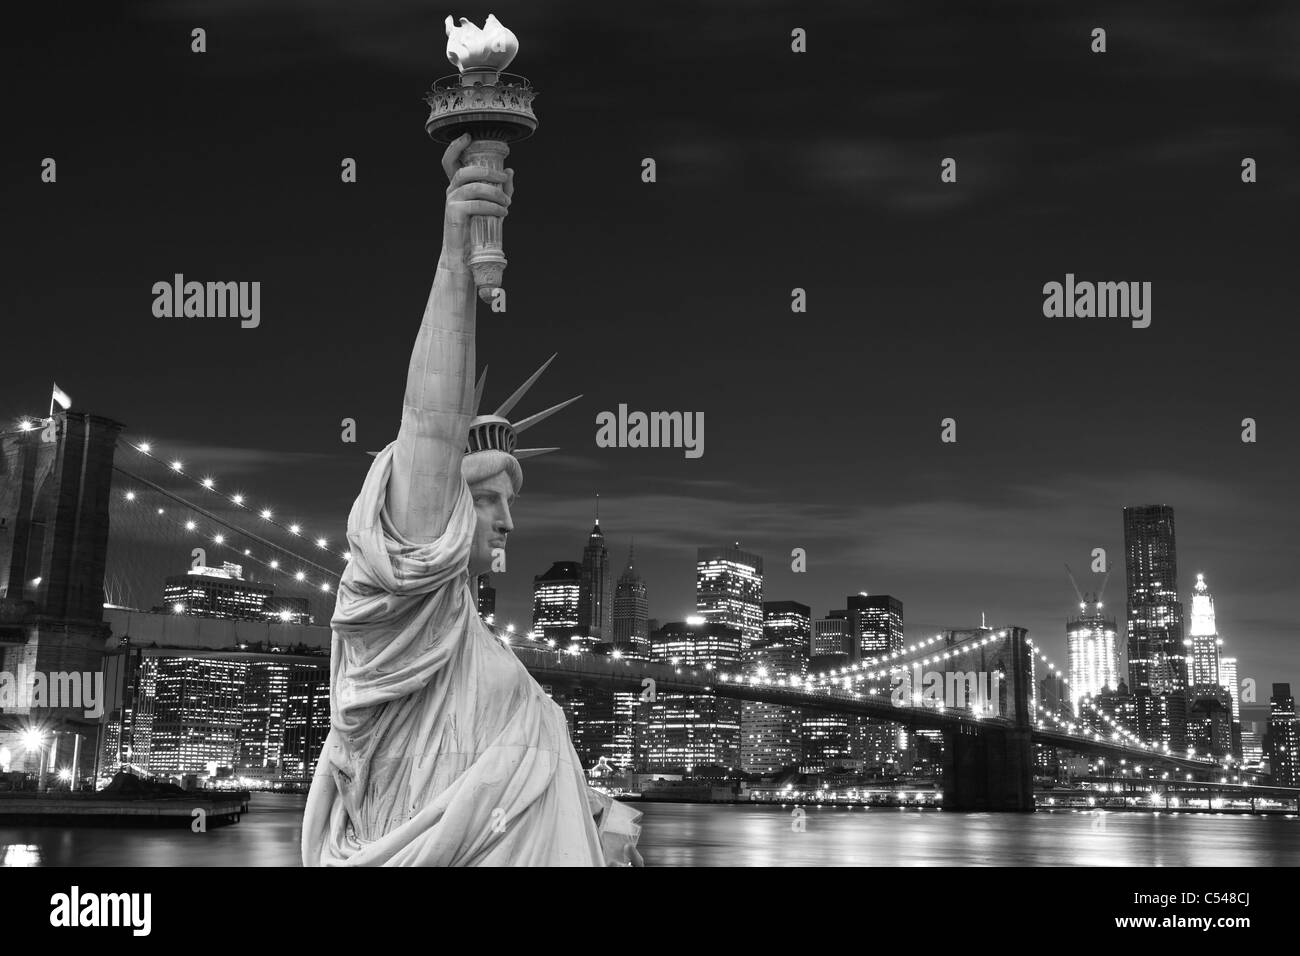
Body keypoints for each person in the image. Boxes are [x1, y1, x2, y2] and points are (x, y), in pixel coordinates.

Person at [301, 133, 643, 866]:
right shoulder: (404, 603)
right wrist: (458, 256)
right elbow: (427, 423)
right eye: (489, 499)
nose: (510, 521)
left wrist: (593, 813)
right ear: (441, 510)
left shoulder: (461, 637)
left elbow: (497, 761)